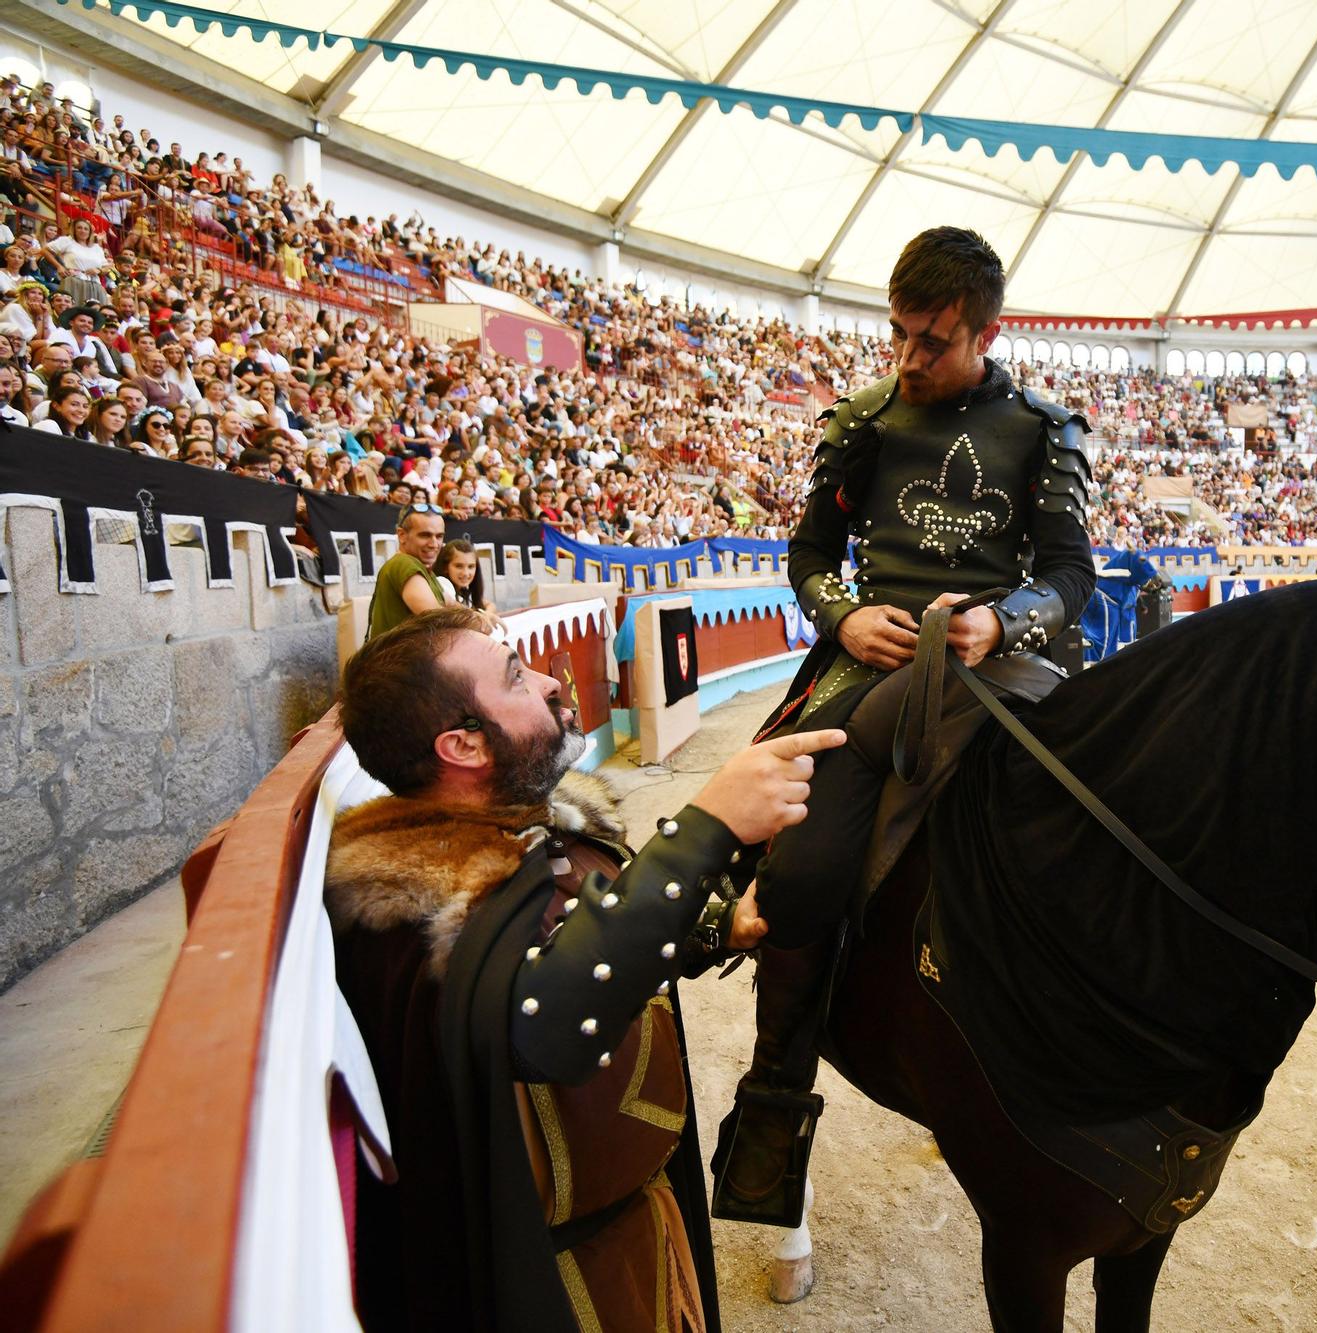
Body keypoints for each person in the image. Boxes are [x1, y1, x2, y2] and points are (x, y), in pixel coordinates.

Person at [709, 226, 1095, 1226]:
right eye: (899, 335)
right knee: (791, 880)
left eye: (932, 341)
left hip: (1001, 672)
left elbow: (1068, 575)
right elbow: (806, 554)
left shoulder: (1046, 430)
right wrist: (842, 613)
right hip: (859, 676)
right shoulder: (865, 418)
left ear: (985, 332)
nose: (908, 359)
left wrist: (1000, 618)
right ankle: (769, 1124)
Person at [327, 605, 845, 1332]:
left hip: (638, 1222)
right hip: (558, 1280)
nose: (549, 680)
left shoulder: (522, 828)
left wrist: (715, 925)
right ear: (463, 746)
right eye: (515, 676)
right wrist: (706, 826)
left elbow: (589, 930)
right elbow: (550, 1021)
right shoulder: (417, 911)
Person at [366, 503, 449, 639]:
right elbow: (439, 621)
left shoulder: (424, 569)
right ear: (402, 535)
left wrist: (482, 615)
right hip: (400, 659)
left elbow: (451, 604)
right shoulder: (403, 563)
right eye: (425, 535)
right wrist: (477, 620)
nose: (434, 544)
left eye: (439, 536)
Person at [434, 535, 497, 615]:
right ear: (445, 567)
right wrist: (484, 617)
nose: (465, 573)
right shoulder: (442, 584)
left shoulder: (464, 591)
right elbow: (464, 613)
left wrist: (487, 614)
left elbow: (490, 605)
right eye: (459, 566)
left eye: (471, 566)